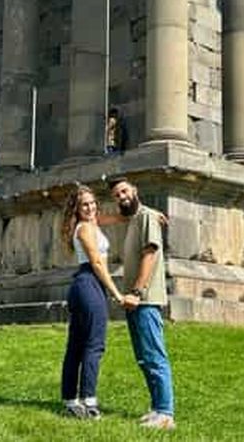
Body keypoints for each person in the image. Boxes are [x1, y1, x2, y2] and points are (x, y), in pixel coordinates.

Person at [110, 176, 175, 431]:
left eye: (124, 191)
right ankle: (158, 407)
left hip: (144, 299)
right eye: (117, 195)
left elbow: (151, 253)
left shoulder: (147, 217)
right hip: (135, 301)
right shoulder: (136, 218)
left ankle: (166, 413)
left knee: (154, 356)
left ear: (134, 190)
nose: (121, 197)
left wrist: (137, 291)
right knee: (144, 357)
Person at [60, 184, 125, 419]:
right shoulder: (85, 229)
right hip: (89, 283)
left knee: (76, 346)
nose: (90, 207)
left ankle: (70, 400)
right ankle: (89, 401)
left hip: (84, 285)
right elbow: (97, 263)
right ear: (77, 209)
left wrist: (138, 212)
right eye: (84, 205)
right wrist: (117, 294)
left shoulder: (92, 223)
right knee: (94, 345)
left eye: (92, 203)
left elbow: (114, 218)